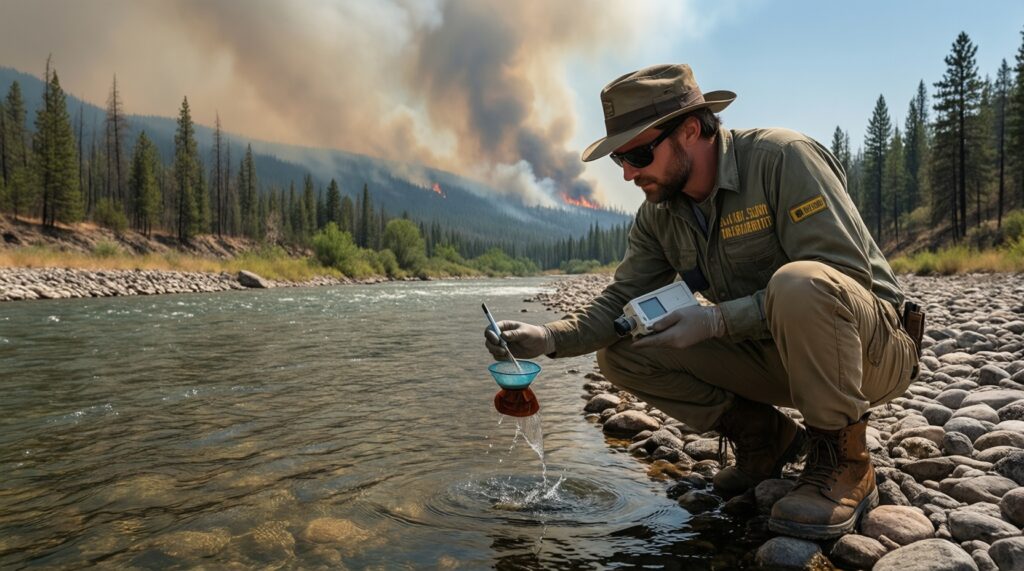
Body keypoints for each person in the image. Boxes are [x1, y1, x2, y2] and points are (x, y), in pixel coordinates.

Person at [484, 63, 922, 540]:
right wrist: (548, 337)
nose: (629, 173)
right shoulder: (659, 213)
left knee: (800, 282)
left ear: (691, 129)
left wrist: (715, 321)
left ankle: (846, 461)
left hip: (871, 352)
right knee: (622, 350)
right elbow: (621, 298)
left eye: (639, 153)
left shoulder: (783, 159)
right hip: (777, 355)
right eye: (619, 161)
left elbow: (843, 278)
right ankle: (765, 440)